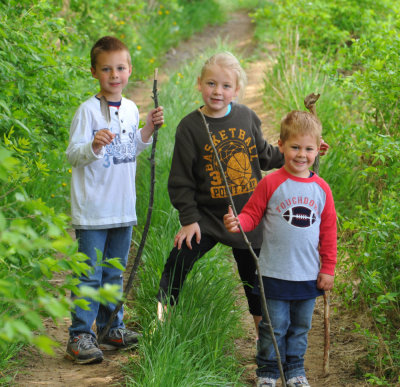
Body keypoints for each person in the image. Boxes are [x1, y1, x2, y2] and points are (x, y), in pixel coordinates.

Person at [156, 51, 287, 337]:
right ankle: (160, 323)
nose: (218, 91)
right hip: (206, 218)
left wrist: (296, 156)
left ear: (236, 90)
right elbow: (180, 180)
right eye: (211, 84)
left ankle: (263, 343)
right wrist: (189, 219)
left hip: (248, 217)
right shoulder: (190, 127)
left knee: (255, 281)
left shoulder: (247, 117)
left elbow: (263, 157)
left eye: (226, 86)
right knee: (178, 260)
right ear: (199, 84)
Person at [65, 36, 164, 364]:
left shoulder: (132, 108)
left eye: (120, 68)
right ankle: (81, 333)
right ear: (94, 71)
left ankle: (110, 327)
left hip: (122, 208)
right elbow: (73, 156)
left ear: (129, 69)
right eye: (106, 69)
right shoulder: (87, 111)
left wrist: (147, 128)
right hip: (93, 210)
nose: (114, 75)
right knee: (90, 273)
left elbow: (128, 149)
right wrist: (93, 145)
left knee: (113, 272)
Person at [223, 110, 337, 387]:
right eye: (295, 147)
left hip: (308, 275)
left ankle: (295, 370)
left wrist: (328, 269)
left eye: (308, 149)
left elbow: (329, 232)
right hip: (274, 272)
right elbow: (252, 213)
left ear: (318, 149)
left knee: (300, 328)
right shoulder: (271, 183)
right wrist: (239, 222)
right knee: (273, 326)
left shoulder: (321, 189)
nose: (301, 154)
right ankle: (268, 371)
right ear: (281, 145)